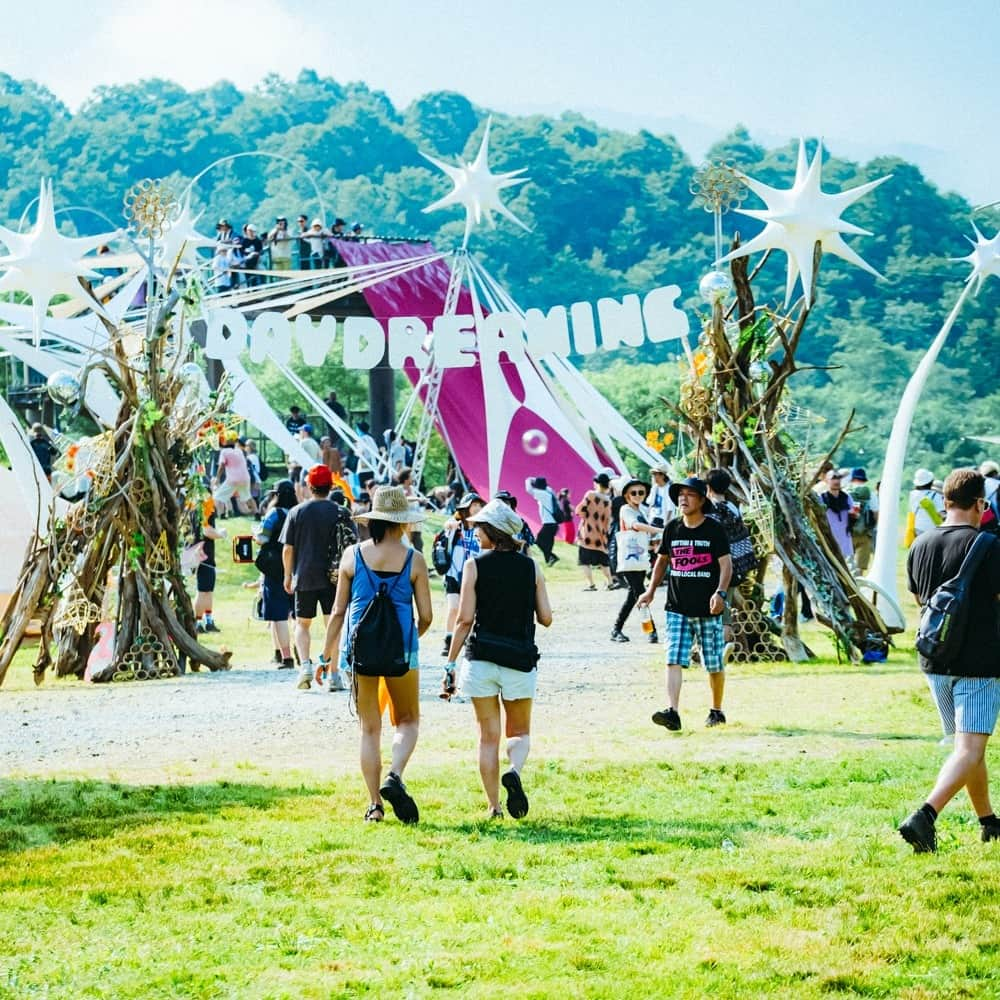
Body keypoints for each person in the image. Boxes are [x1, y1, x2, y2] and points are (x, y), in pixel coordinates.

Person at [900, 468, 1000, 852]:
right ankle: (925, 815)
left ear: (945, 502)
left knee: (967, 748)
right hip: (980, 663)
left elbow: (920, 601)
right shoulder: (989, 546)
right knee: (969, 748)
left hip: (935, 662)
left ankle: (989, 821)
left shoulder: (920, 544)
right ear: (980, 503)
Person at [321, 486, 433, 823]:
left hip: (360, 651)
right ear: (401, 523)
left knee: (370, 729)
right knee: (408, 719)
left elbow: (338, 612)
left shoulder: (352, 556)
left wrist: (326, 656)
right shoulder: (414, 559)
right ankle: (395, 775)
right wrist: (410, 638)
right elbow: (426, 615)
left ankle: (374, 805)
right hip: (402, 651)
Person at [445, 499, 553, 819]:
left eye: (480, 528)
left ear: (493, 531)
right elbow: (546, 618)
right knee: (518, 732)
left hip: (481, 658)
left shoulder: (474, 565)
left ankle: (494, 807)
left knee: (487, 737)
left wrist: (450, 662)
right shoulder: (531, 567)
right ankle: (515, 771)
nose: (475, 533)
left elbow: (464, 620)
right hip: (519, 658)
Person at [638, 476, 733, 731]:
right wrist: (650, 591)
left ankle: (716, 710)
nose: (683, 498)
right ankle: (673, 712)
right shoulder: (673, 528)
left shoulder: (713, 529)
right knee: (673, 658)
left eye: (690, 494)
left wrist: (721, 593)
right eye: (681, 494)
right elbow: (662, 561)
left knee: (713, 663)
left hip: (708, 609)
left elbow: (726, 565)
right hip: (677, 607)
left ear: (702, 500)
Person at [281, 464, 354, 691]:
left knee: (302, 624)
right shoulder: (341, 512)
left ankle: (305, 666)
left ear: (309, 486)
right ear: (331, 486)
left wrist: (287, 576)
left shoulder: (297, 512)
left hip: (304, 575)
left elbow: (288, 549)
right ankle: (333, 675)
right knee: (332, 622)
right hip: (336, 577)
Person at [440, 492, 485, 683]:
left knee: (469, 611)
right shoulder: (455, 527)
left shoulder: (482, 529)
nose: (476, 508)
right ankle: (449, 638)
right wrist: (449, 526)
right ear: (465, 508)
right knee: (453, 607)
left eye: (479, 505)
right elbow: (446, 528)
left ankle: (466, 638)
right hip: (454, 574)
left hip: (473, 575)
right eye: (473, 505)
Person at [610, 478, 661, 643]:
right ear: (626, 495)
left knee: (633, 596)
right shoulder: (626, 509)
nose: (638, 495)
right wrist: (660, 529)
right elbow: (635, 526)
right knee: (640, 593)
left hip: (639, 559)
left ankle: (616, 630)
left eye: (641, 492)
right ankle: (651, 631)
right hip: (628, 559)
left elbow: (643, 534)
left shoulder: (641, 510)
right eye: (634, 493)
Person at [255, 480, 297, 669]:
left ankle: (286, 656)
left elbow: (262, 538)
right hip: (297, 567)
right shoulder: (299, 513)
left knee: (278, 615)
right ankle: (301, 652)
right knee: (296, 615)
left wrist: (256, 537)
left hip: (275, 569)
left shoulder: (274, 513)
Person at [190, 497, 225, 634]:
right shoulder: (205, 508)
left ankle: (208, 621)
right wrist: (220, 534)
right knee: (203, 591)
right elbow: (206, 530)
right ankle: (198, 622)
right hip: (203, 555)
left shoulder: (195, 508)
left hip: (205, 555)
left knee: (208, 591)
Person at [575, 473, 615, 590]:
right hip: (600, 535)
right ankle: (610, 583)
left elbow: (580, 510)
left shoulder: (591, 494)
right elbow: (608, 520)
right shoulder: (608, 501)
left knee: (584, 561)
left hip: (587, 533)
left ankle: (591, 584)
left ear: (597, 483)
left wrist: (586, 517)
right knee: (603, 561)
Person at [213, 434, 255, 516]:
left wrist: (217, 478)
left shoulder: (224, 451)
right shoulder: (239, 451)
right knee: (247, 497)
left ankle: (221, 514)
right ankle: (256, 513)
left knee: (218, 496)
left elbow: (221, 466)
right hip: (245, 478)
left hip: (233, 479)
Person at [524, 476, 560, 566]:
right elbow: (548, 487)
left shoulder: (542, 494)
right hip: (554, 524)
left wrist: (528, 480)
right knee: (547, 543)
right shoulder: (549, 492)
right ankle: (549, 560)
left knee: (538, 541)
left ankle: (552, 557)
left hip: (548, 523)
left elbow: (529, 489)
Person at [819, 469, 854, 561]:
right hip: (829, 540)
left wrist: (854, 516)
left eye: (838, 478)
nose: (836, 481)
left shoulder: (846, 497)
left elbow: (853, 513)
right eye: (833, 478)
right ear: (826, 480)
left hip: (845, 540)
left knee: (849, 569)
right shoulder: (821, 498)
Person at [848, 467, 877, 574]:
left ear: (852, 478)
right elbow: (875, 513)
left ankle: (847, 586)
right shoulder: (871, 494)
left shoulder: (846, 492)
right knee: (860, 566)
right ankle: (858, 585)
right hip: (865, 533)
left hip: (848, 533)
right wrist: (872, 527)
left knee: (848, 562)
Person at [908, 469, 945, 544]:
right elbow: (941, 513)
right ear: (931, 482)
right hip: (933, 529)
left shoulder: (912, 495)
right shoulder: (935, 495)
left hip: (917, 529)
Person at [644, 463, 675, 529]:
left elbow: (670, 508)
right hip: (652, 520)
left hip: (663, 521)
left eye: (655, 474)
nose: (653, 476)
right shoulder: (655, 487)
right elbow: (650, 503)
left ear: (662, 475)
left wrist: (666, 523)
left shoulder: (669, 489)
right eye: (653, 474)